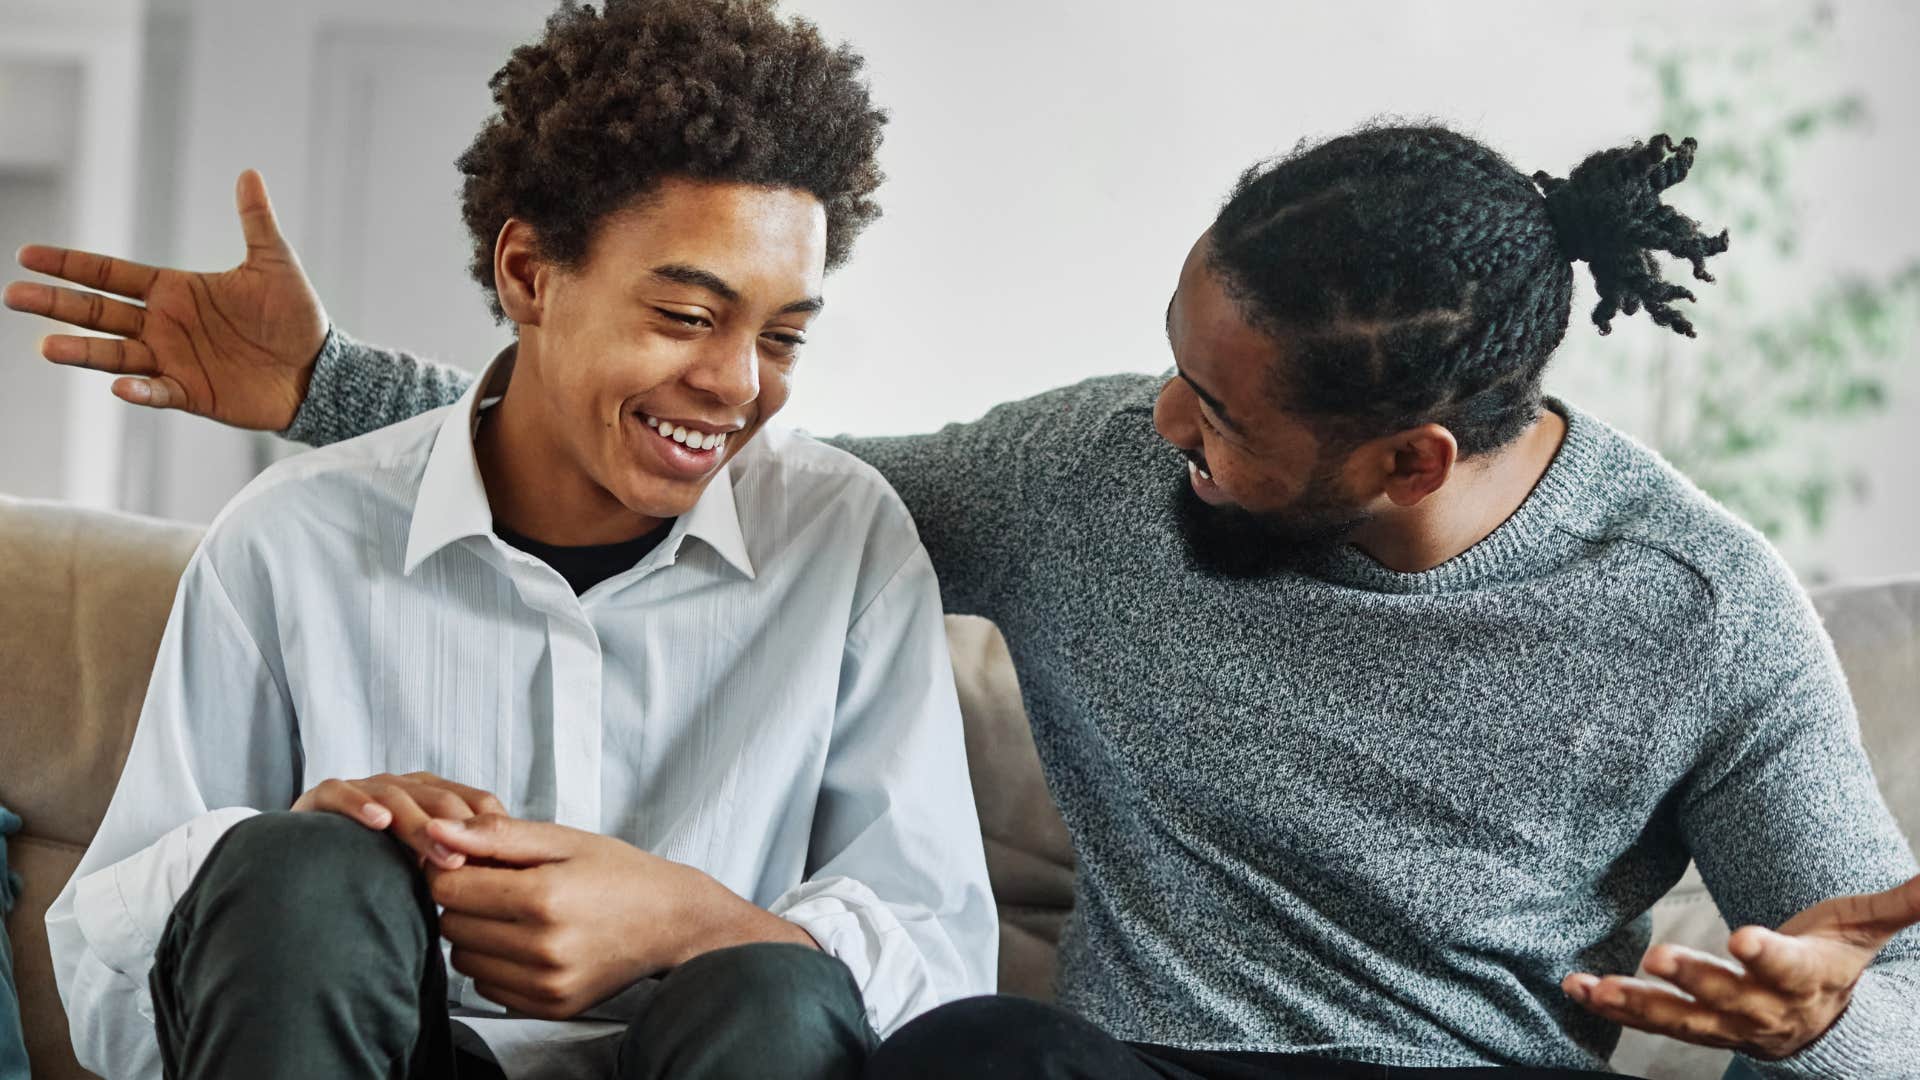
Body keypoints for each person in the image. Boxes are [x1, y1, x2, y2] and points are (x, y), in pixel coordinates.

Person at [11, 116, 1920, 1075]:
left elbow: (1878, 970)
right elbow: (727, 470)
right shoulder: (1093, 468)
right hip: (1105, 1075)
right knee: (969, 1056)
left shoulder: (1698, 608)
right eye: (1173, 353)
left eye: (1222, 416)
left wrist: (1829, 1018)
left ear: (1406, 459)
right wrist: (329, 392)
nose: (1158, 419)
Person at [23, 2, 998, 1078]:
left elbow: (940, 971)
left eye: (782, 336)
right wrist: (295, 851)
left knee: (773, 985)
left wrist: (685, 917)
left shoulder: (846, 539)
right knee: (300, 871)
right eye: (683, 317)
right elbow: (105, 991)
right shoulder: (290, 538)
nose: (734, 384)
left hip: (708, 1056)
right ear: (529, 274)